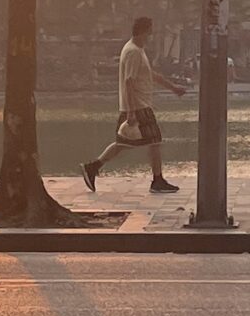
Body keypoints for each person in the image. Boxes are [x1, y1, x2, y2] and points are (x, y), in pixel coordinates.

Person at [80, 16, 187, 194]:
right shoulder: (132, 52)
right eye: (150, 30)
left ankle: (92, 167)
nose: (152, 34)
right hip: (138, 106)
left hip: (138, 105)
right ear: (144, 31)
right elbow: (129, 81)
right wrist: (131, 112)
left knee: (123, 143)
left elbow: (150, 74)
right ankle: (157, 180)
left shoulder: (138, 50)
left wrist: (173, 88)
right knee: (155, 141)